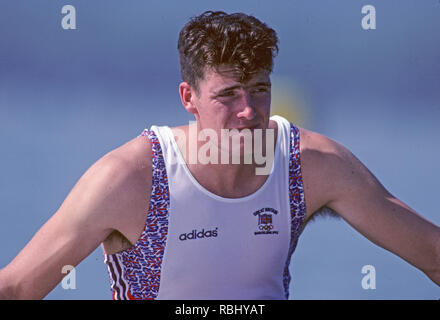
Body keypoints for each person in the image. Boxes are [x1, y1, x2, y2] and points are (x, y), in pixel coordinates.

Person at [0, 10, 439, 300]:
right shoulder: (129, 178)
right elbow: (18, 288)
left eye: (261, 90)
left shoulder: (310, 165)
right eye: (227, 95)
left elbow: (432, 254)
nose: (248, 111)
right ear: (188, 98)